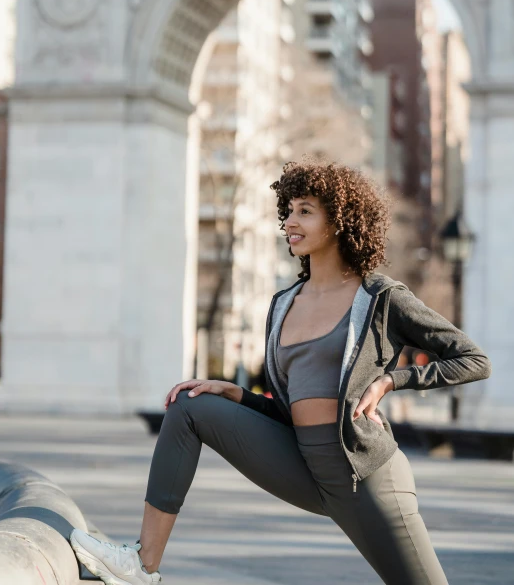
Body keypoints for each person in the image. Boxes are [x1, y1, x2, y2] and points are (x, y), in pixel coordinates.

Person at [70, 157, 492, 585]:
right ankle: (143, 565)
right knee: (190, 404)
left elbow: (474, 360)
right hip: (304, 465)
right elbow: (293, 409)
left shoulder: (381, 297)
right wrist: (240, 396)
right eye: (288, 211)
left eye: (305, 210)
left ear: (340, 220)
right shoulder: (283, 303)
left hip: (367, 479)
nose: (291, 221)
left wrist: (391, 380)